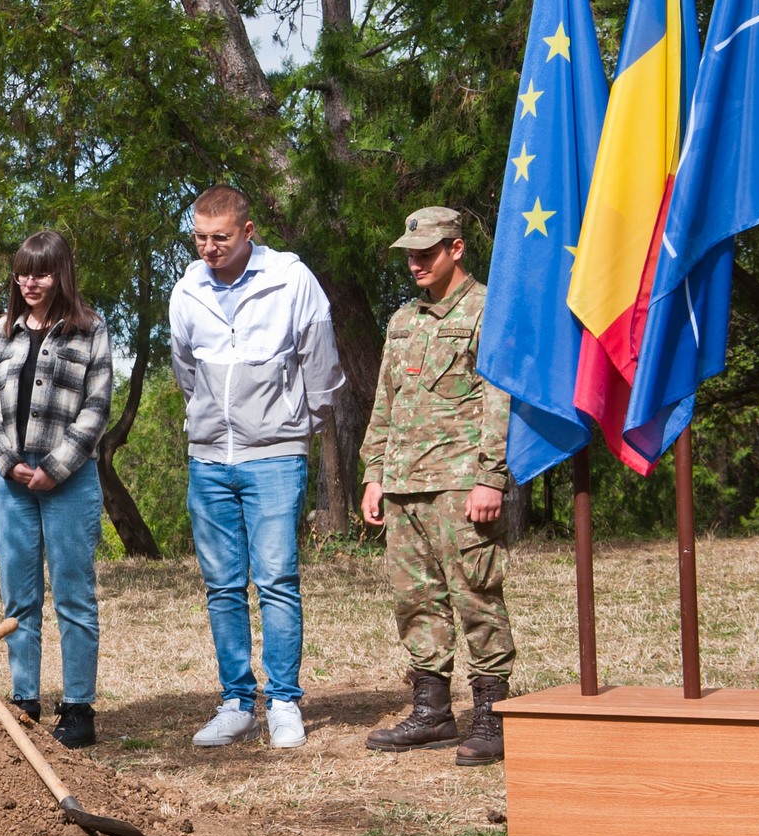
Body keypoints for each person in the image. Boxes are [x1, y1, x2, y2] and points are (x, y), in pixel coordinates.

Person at [170, 186, 342, 751]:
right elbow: (186, 371)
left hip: (274, 455)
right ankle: (237, 703)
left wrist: (294, 426)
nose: (208, 249)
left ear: (248, 232)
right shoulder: (186, 290)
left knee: (275, 580)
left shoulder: (291, 279)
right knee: (222, 586)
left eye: (220, 237)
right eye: (199, 237)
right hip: (210, 460)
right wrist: (211, 428)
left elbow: (321, 364)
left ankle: (284, 702)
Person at [360, 207, 515, 766]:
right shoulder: (404, 320)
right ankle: (432, 712)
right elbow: (385, 401)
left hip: (460, 485)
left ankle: (493, 716)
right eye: (411, 253)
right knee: (415, 600)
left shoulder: (486, 311)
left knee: (476, 594)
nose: (416, 263)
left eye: (427, 252)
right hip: (404, 485)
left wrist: (490, 477)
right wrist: (374, 473)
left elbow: (501, 401)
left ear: (457, 249)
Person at [0, 231, 112, 749]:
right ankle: (24, 699)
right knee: (18, 597)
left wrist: (55, 467)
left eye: (42, 272)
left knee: (74, 595)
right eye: (23, 273)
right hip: (10, 481)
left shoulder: (91, 330)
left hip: (69, 481)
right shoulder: (1, 332)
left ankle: (78, 707)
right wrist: (9, 463)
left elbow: (97, 408)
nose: (31, 282)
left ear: (62, 274)